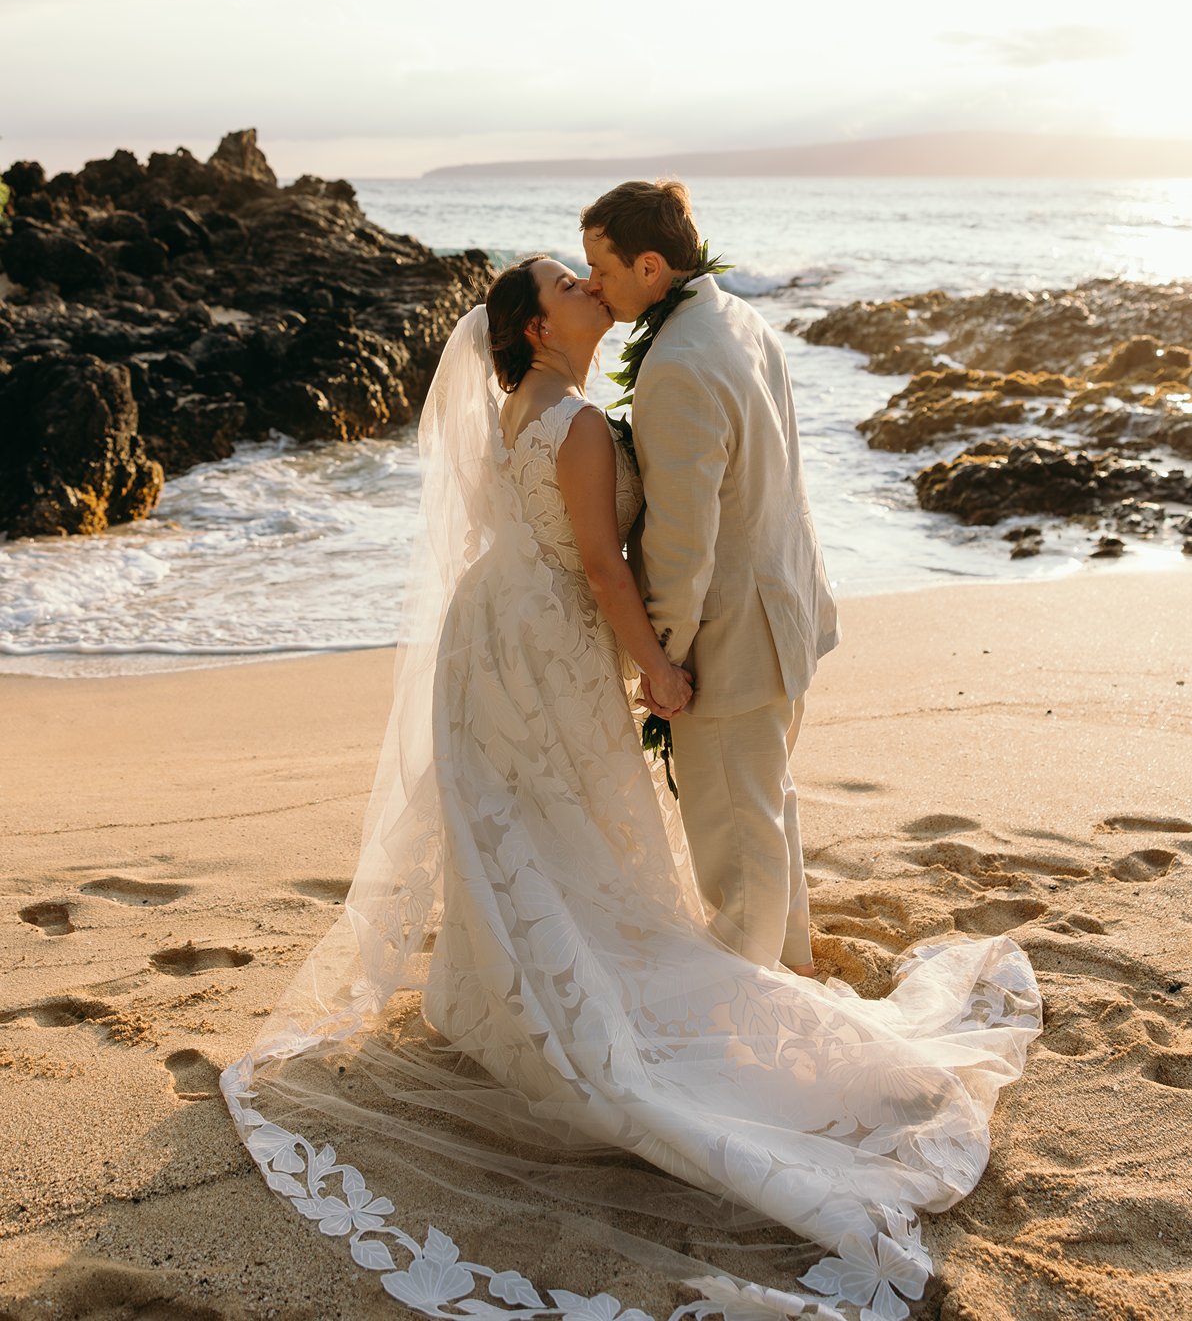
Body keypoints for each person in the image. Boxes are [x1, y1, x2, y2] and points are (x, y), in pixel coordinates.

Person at [221, 246, 1041, 1321]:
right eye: (567, 286)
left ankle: (494, 995)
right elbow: (604, 568)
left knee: (515, 823)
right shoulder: (580, 426)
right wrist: (656, 667)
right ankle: (578, 1009)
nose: (586, 290)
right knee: (572, 826)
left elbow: (515, 540)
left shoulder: (511, 410)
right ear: (534, 327)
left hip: (489, 633)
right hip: (547, 641)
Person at [580, 180, 840, 978]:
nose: (592, 284)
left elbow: (682, 544)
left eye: (602, 267)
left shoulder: (677, 368)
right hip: (787, 612)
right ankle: (786, 972)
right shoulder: (741, 318)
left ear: (651, 267)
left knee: (735, 841)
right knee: (767, 812)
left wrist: (662, 659)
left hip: (732, 640)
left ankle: (757, 1008)